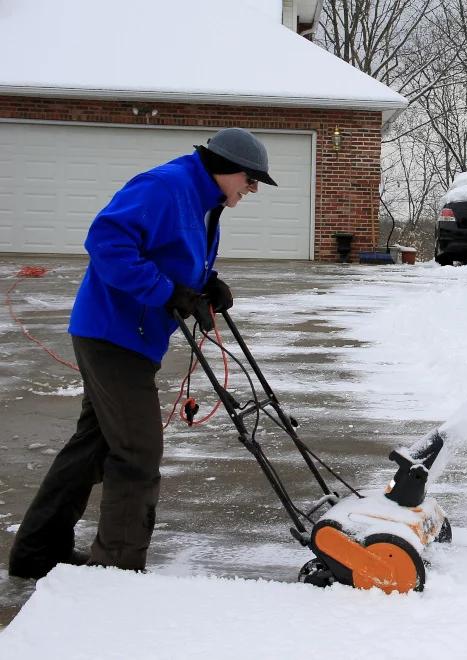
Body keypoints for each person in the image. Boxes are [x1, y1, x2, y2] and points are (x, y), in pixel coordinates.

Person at [7, 127, 277, 579]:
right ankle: (116, 571)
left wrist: (203, 285)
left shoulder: (201, 199)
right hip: (113, 335)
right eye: (250, 181)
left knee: (93, 448)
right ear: (228, 168)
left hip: (131, 335)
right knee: (136, 451)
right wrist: (164, 292)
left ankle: (37, 551)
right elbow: (107, 243)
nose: (251, 190)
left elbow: (169, 253)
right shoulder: (165, 186)